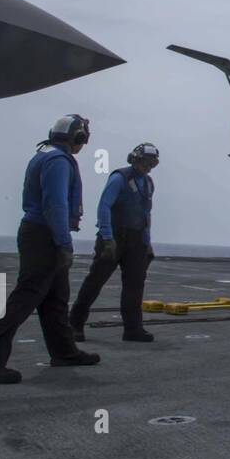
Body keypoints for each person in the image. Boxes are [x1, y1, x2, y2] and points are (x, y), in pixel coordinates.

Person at [0, 115, 101, 384]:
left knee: (55, 299)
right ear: (77, 137)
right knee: (26, 297)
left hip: (40, 233)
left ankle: (64, 352)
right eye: (83, 138)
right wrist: (64, 243)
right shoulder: (58, 161)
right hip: (45, 236)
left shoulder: (46, 155)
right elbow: (55, 204)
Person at [70, 142, 159, 342]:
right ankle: (74, 324)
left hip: (136, 241)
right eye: (145, 162)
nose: (148, 166)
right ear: (135, 159)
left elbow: (146, 214)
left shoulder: (148, 183)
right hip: (114, 237)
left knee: (135, 286)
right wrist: (108, 239)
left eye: (152, 163)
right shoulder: (119, 178)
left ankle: (133, 329)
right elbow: (104, 207)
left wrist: (147, 243)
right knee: (95, 281)